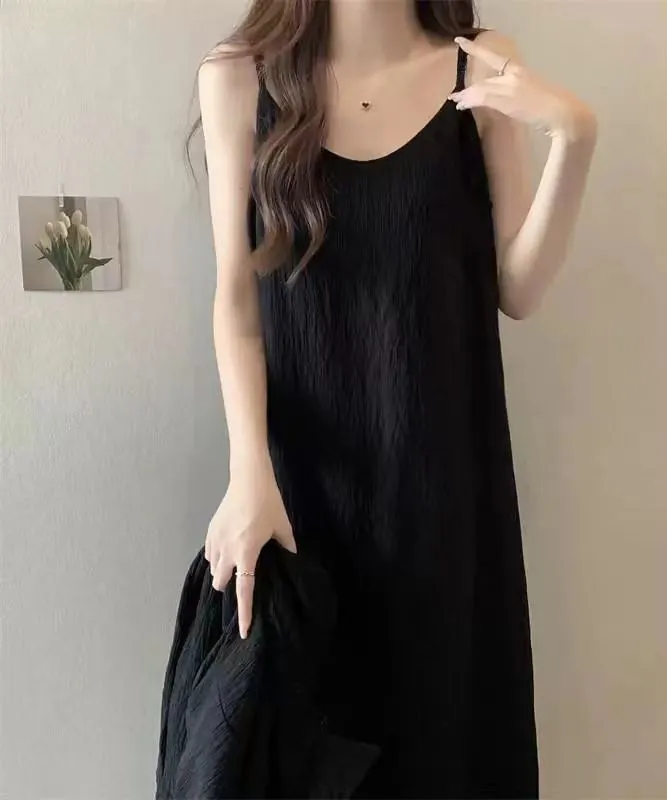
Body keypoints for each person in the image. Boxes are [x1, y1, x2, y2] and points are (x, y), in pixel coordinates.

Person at [195, 0, 597, 795]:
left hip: (449, 510)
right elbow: (237, 303)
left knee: (447, 754)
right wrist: (248, 474)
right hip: (302, 506)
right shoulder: (239, 78)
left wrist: (574, 140)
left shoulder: (479, 64)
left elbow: (517, 289)